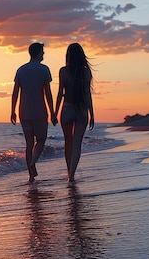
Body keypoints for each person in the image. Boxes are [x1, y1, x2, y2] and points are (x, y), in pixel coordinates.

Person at [11, 42, 56, 183]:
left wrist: (12, 111)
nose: (44, 54)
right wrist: (53, 112)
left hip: (24, 111)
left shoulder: (21, 70)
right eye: (42, 52)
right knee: (41, 140)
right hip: (39, 111)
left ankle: (31, 176)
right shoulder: (44, 69)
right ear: (38, 53)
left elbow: (15, 93)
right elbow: (48, 93)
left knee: (29, 144)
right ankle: (33, 163)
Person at [54, 42, 94, 183]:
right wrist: (92, 114)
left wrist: (54, 111)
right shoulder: (86, 72)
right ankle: (72, 174)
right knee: (77, 143)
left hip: (66, 109)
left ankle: (69, 171)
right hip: (82, 110)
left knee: (68, 142)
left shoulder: (63, 71)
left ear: (68, 56)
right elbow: (87, 94)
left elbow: (60, 93)